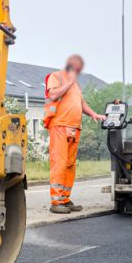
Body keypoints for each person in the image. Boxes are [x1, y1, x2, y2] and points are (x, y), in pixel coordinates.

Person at [43, 55, 105, 214]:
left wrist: (93, 114)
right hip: (60, 126)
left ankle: (64, 198)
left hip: (74, 128)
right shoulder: (56, 77)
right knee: (60, 163)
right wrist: (69, 83)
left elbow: (81, 102)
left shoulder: (75, 84)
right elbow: (53, 95)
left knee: (70, 165)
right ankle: (56, 202)